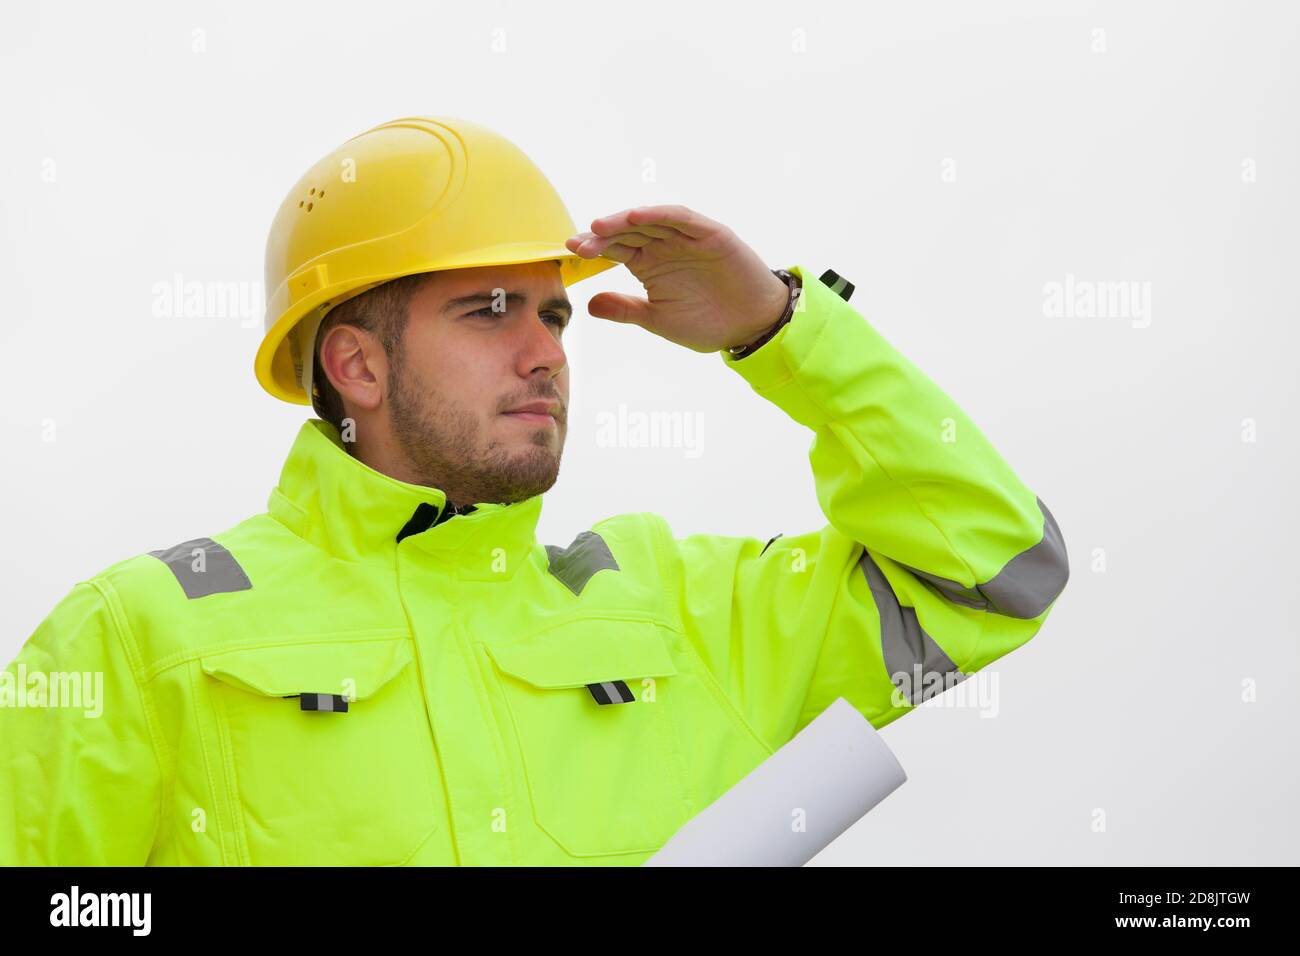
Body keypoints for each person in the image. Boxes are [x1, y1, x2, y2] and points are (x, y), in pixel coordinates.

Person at [0, 116, 1068, 866]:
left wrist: (782, 329)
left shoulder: (682, 613)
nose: (544, 352)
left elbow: (996, 573)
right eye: (489, 310)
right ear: (356, 367)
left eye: (552, 317)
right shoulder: (138, 636)